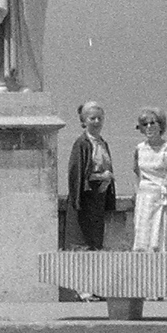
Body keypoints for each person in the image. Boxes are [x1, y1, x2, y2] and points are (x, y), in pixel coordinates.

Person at [66, 101, 115, 250]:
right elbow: (78, 175)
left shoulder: (103, 143)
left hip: (99, 201)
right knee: (82, 245)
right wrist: (102, 177)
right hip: (85, 200)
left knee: (96, 244)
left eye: (100, 118)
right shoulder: (81, 143)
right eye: (92, 118)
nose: (96, 122)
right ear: (84, 121)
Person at [131, 107, 167, 252]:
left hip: (162, 200)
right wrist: (137, 193)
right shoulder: (139, 149)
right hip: (144, 201)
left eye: (152, 123)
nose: (149, 127)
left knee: (161, 242)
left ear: (160, 125)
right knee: (143, 243)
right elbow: (136, 173)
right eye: (144, 124)